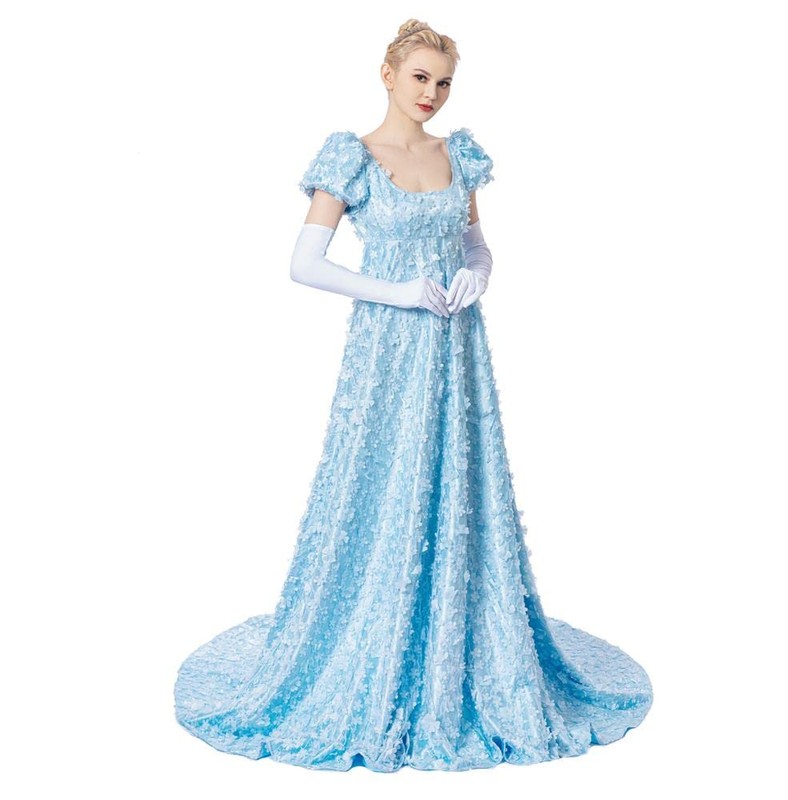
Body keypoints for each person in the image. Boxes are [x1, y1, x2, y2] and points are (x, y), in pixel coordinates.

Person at [173, 18, 653, 772]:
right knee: (377, 481)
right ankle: (373, 632)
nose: (432, 93)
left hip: (458, 348)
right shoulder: (352, 158)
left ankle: (459, 633)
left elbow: (476, 246)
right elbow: (305, 262)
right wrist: (395, 291)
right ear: (389, 75)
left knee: (460, 482)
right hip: (387, 351)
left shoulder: (459, 155)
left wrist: (478, 275)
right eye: (421, 77)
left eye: (444, 82)